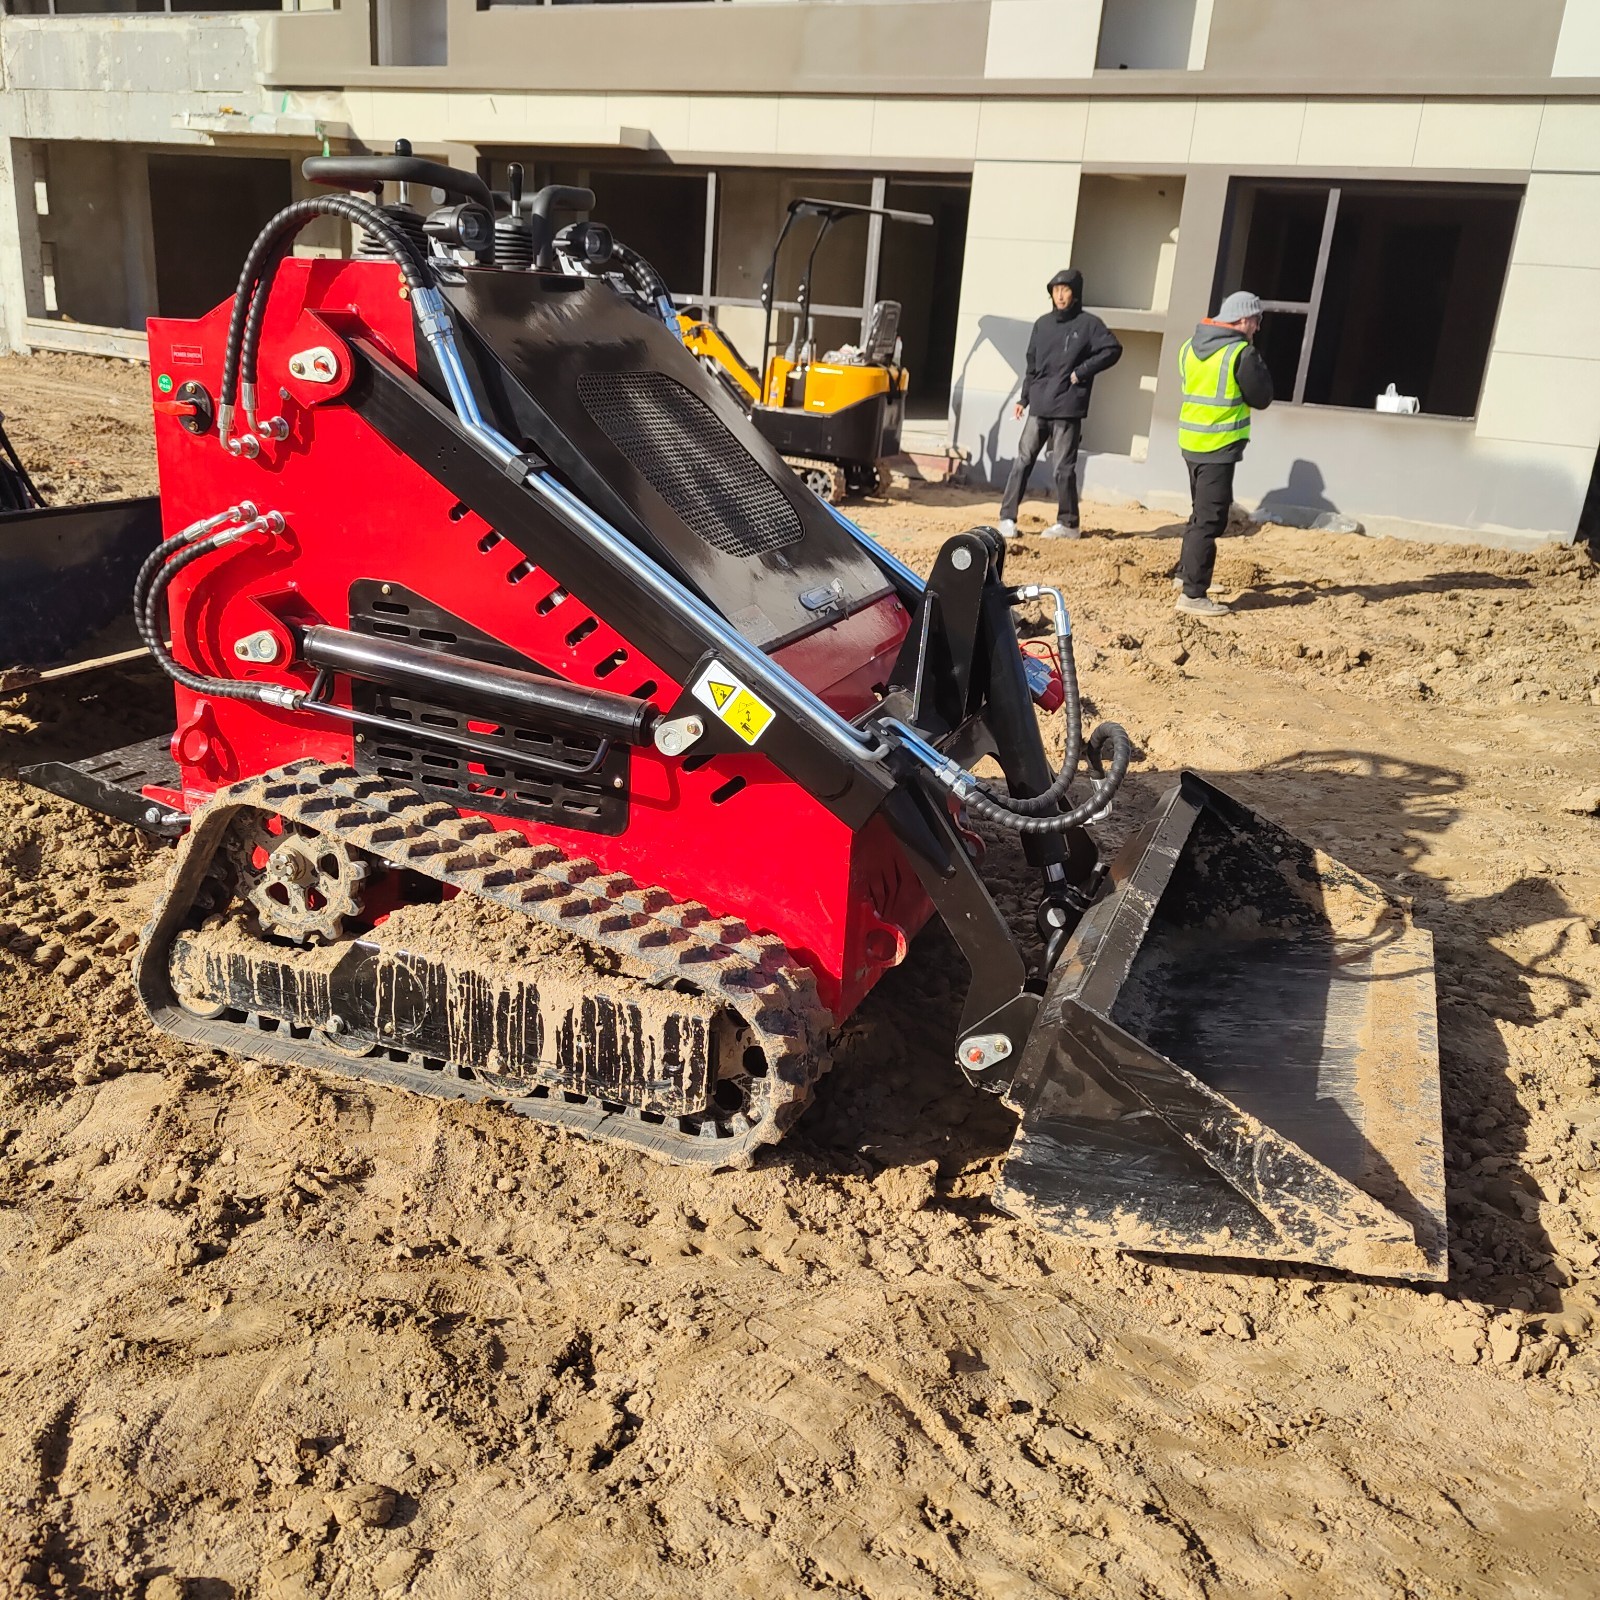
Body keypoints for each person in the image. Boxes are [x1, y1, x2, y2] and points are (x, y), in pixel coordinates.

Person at [998, 269, 1122, 541]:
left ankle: (1068, 524)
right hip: (1039, 405)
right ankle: (1007, 518)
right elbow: (1032, 364)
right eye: (1055, 290)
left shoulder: (1089, 324)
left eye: (1065, 289)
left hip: (1067, 406)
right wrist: (1024, 398)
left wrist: (1082, 372)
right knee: (1022, 460)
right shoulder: (1042, 324)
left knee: (1062, 468)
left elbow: (1113, 349)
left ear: (1075, 293)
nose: (1060, 295)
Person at [1174, 289, 1274, 617]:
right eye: (1256, 321)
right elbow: (1261, 397)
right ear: (1243, 319)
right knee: (1210, 520)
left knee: (1198, 514)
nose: (1257, 328)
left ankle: (1185, 575)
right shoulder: (1240, 354)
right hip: (1218, 447)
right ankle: (1193, 595)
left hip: (1192, 443)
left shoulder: (1189, 347)